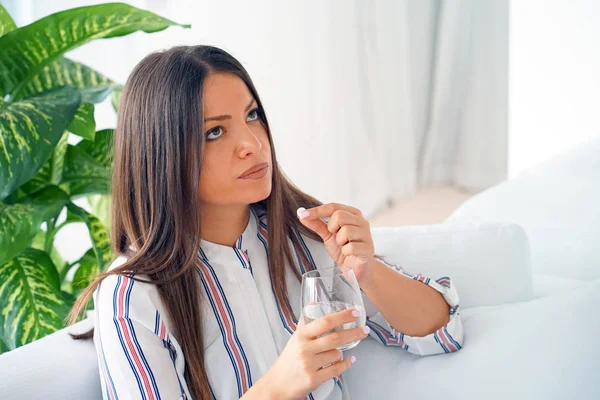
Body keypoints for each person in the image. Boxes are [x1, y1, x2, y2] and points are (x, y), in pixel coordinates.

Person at [67, 45, 463, 400]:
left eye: (252, 115)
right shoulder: (133, 297)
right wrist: (277, 388)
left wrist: (367, 271)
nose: (253, 144)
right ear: (163, 155)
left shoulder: (305, 238)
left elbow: (442, 332)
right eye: (215, 132)